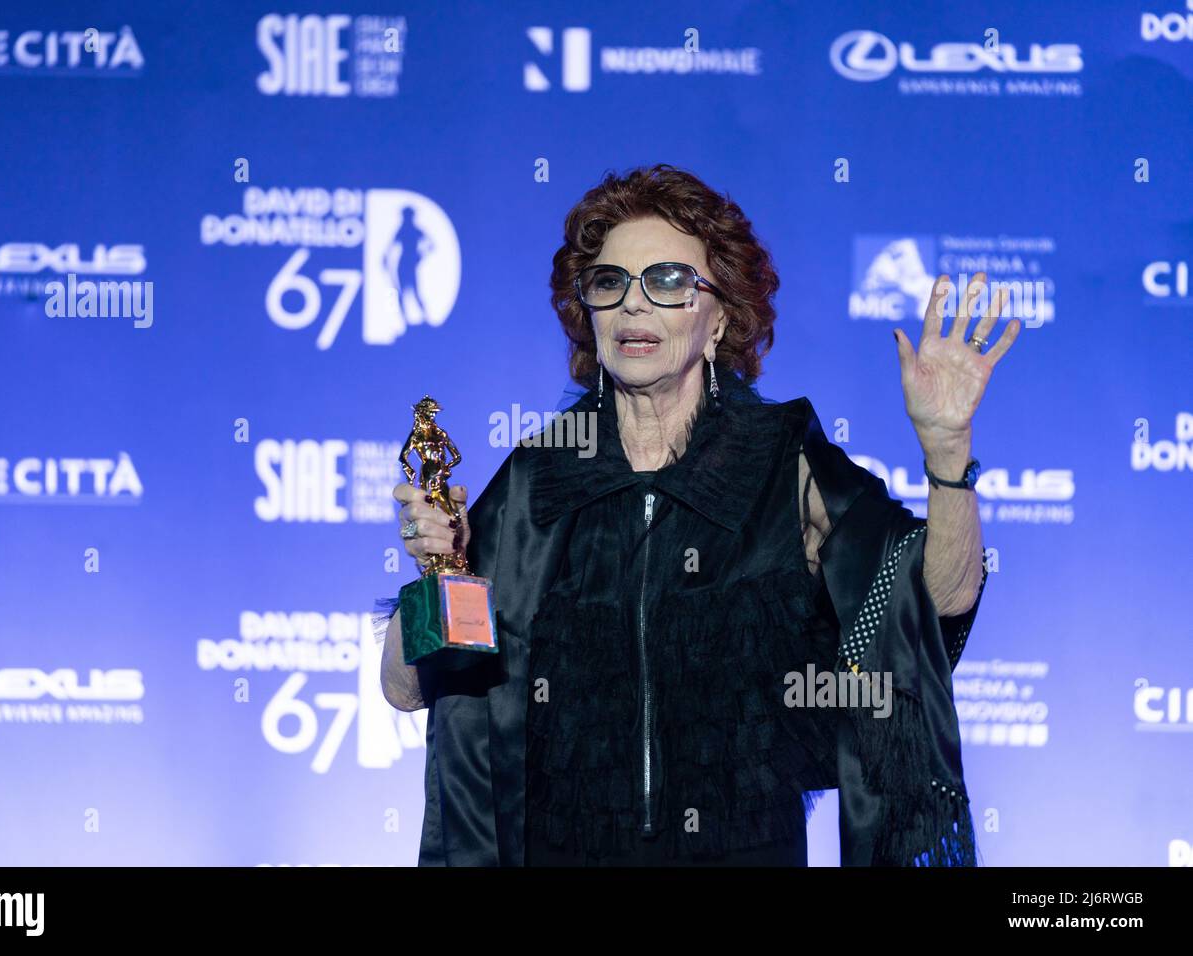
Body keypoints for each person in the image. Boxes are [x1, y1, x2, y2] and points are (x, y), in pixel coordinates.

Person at [378, 164, 1020, 866]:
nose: (634, 306)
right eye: (609, 283)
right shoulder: (540, 479)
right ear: (587, 314)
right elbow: (407, 691)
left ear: (721, 318)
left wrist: (947, 455)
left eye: (669, 282)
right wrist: (438, 576)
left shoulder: (781, 460)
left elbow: (938, 600)